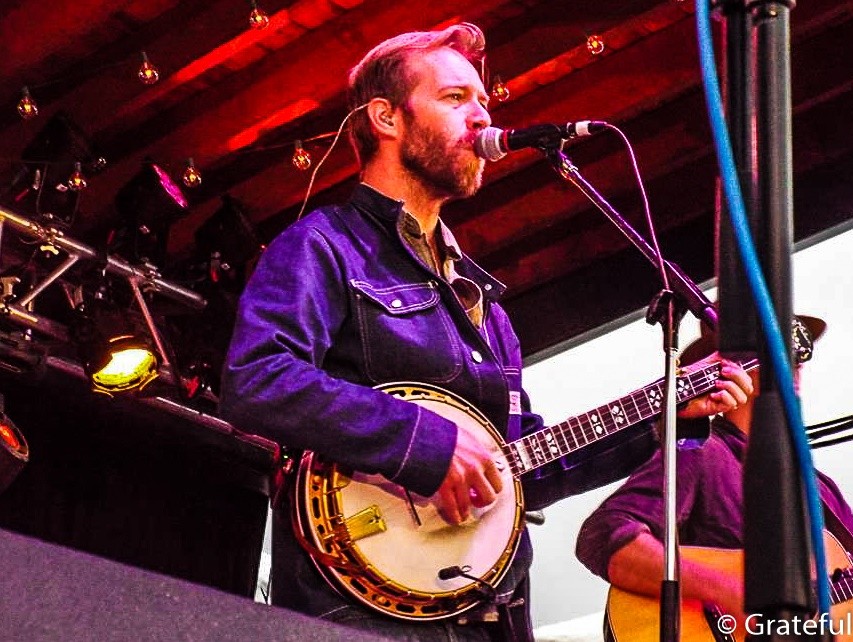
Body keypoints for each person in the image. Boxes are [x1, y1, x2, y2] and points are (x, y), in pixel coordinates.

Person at [219, 23, 751, 642]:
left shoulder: (484, 304)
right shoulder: (323, 246)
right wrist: (422, 441)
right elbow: (257, 378)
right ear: (386, 118)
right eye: (454, 98)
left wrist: (662, 417)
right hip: (361, 612)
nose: (481, 117)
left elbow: (527, 467)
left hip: (494, 614)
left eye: (483, 101)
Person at [576, 316, 853, 641]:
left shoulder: (823, 491)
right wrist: (723, 586)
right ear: (728, 367)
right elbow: (602, 536)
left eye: (798, 354)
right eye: (778, 350)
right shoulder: (702, 452)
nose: (796, 363)